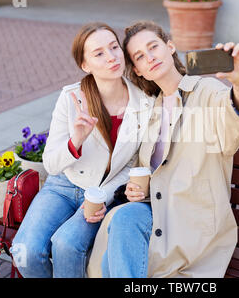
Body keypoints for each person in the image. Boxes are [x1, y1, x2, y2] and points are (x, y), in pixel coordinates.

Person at [87, 21, 239, 278]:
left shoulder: (205, 91)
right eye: (140, 56)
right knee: (122, 219)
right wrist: (137, 189)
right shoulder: (153, 109)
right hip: (157, 213)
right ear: (139, 70)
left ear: (170, 47)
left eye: (153, 47)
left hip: (192, 223)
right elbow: (154, 170)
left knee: (117, 252)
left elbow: (233, 123)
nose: (150, 57)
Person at [10, 22, 154, 278]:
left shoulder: (144, 103)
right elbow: (52, 165)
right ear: (85, 65)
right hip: (63, 186)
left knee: (67, 244)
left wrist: (105, 196)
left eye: (114, 47)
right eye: (99, 53)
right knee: (24, 249)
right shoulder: (72, 98)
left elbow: (134, 164)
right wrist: (75, 139)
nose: (111, 57)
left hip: (103, 191)